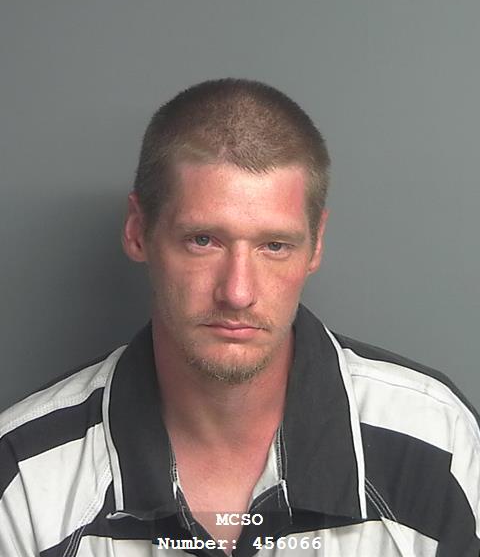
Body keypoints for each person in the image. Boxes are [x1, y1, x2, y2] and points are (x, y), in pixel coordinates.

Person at [0, 79, 478, 557]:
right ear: (138, 230)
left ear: (316, 244)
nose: (238, 293)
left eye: (275, 245)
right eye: (203, 240)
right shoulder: (24, 477)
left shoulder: (437, 441)